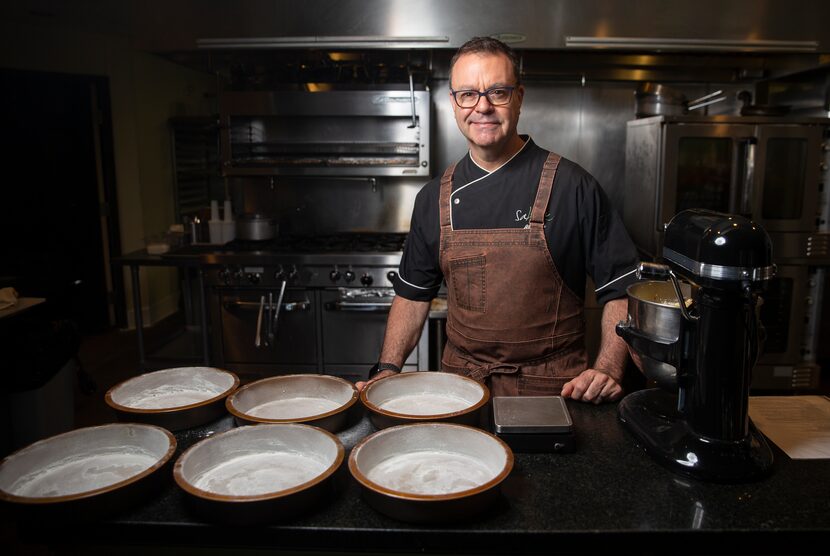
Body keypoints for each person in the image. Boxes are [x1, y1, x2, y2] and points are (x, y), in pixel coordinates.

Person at [356, 36, 639, 403]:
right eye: (468, 94)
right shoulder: (433, 199)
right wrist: (387, 369)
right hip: (461, 393)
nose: (483, 106)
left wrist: (607, 369)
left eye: (498, 92)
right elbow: (411, 295)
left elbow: (622, 288)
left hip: (554, 394)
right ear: (454, 102)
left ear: (519, 97)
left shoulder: (573, 186)